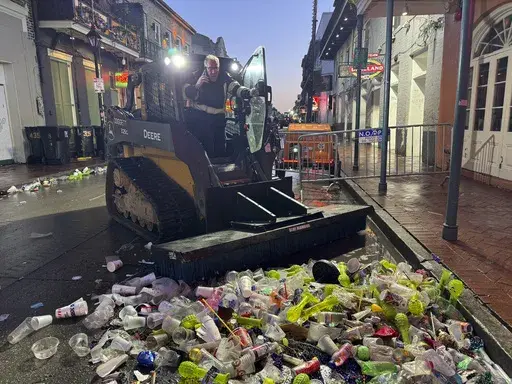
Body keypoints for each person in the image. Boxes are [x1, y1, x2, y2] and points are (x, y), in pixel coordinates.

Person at [183, 55, 257, 157]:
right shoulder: (195, 77)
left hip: (218, 118)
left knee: (220, 148)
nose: (213, 72)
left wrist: (247, 92)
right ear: (206, 68)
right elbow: (185, 93)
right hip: (199, 118)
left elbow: (236, 88)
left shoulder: (225, 78)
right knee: (206, 149)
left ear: (219, 67)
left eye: (215, 68)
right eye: (210, 68)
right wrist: (197, 85)